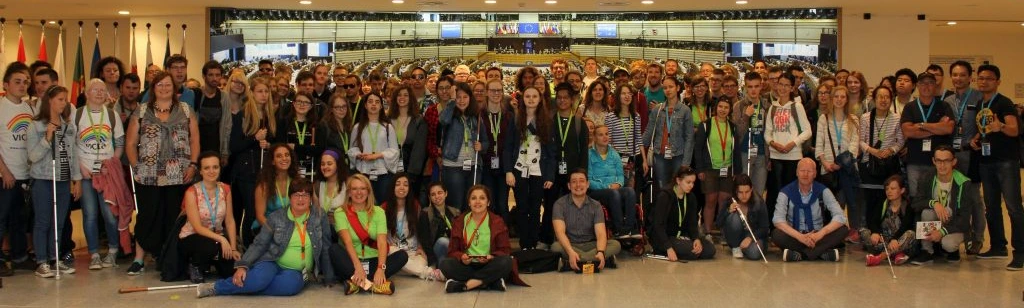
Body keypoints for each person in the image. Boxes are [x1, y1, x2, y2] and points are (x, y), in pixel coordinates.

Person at [195, 178, 334, 298]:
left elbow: (326, 247)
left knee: (290, 287)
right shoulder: (276, 217)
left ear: (310, 199)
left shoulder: (319, 216)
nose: (301, 199)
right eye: (297, 195)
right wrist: (243, 266)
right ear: (290, 198)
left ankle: (250, 287)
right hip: (272, 261)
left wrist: (328, 277)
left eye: (305, 195)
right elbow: (259, 244)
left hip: (296, 271)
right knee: (258, 280)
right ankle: (217, 288)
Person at [125, 71, 201, 275]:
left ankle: (169, 258)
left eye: (168, 85)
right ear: (153, 87)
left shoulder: (186, 110)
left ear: (174, 87)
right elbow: (131, 143)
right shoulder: (141, 111)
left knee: (173, 218)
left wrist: (193, 165)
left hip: (179, 174)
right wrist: (136, 167)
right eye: (160, 85)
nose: (164, 88)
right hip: (148, 174)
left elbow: (194, 140)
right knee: (147, 217)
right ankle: (139, 260)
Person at [971, 65, 1023, 268]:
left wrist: (1000, 126)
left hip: (1006, 161)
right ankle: (998, 246)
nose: (984, 82)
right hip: (986, 161)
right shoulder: (979, 103)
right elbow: (984, 128)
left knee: (1013, 207)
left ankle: (1020, 252)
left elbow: (1014, 130)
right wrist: (976, 138)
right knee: (991, 206)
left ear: (998, 81)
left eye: (989, 79)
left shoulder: (1004, 103)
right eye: (981, 78)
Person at [28, 85, 80, 277]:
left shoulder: (68, 126)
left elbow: (73, 154)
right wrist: (47, 138)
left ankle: (55, 258)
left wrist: (77, 180)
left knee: (59, 221)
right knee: (43, 221)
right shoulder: (36, 126)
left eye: (65, 99)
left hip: (63, 179)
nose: (63, 103)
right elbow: (33, 156)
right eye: (60, 99)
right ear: (49, 101)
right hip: (43, 178)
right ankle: (42, 261)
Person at [75, 79, 126, 270]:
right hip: (86, 172)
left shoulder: (111, 116)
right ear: (86, 93)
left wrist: (111, 164)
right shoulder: (77, 115)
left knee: (110, 214)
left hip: (106, 173)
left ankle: (113, 251)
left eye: (102, 90)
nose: (99, 93)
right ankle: (94, 253)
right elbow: (72, 145)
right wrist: (80, 167)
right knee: (89, 214)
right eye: (94, 90)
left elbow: (120, 144)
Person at [330, 174, 408, 295]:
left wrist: (380, 269)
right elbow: (348, 242)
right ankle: (373, 285)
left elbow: (382, 243)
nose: (359, 192)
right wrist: (358, 267)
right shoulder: (340, 212)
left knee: (402, 256)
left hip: (374, 261)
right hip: (352, 261)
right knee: (334, 249)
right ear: (349, 193)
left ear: (368, 191)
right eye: (354, 189)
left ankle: (356, 284)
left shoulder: (379, 212)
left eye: (363, 188)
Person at [942, 60, 984, 255]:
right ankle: (960, 236)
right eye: (955, 75)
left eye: (962, 75)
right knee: (955, 199)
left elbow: (984, 123)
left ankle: (977, 238)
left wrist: (976, 138)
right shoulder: (948, 100)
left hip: (972, 154)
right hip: (953, 155)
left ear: (970, 77)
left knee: (974, 198)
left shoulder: (978, 97)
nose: (958, 78)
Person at [910, 146, 978, 266]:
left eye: (946, 161)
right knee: (927, 212)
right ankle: (927, 251)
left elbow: (964, 219)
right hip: (937, 219)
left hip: (955, 224)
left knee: (949, 244)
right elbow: (916, 203)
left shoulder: (964, 183)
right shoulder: (927, 177)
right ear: (933, 161)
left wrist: (942, 231)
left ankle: (953, 251)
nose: (942, 165)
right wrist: (934, 203)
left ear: (954, 162)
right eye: (939, 161)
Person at [506, 87, 555, 250]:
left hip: (537, 170)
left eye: (535, 96)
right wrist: (508, 171)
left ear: (540, 99)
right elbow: (508, 148)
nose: (531, 99)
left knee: (535, 208)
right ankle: (524, 243)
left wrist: (549, 176)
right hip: (519, 168)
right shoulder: (515, 119)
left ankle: (533, 242)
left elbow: (550, 151)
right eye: (527, 96)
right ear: (523, 99)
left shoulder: (547, 121)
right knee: (522, 207)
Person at [772, 158, 849, 262]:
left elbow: (840, 216)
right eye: (802, 171)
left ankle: (799, 255)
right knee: (776, 234)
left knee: (843, 229)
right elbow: (777, 220)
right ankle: (820, 253)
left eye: (809, 171)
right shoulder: (786, 192)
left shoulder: (823, 191)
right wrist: (800, 237)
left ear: (815, 174)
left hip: (818, 236)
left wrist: (819, 234)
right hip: (795, 236)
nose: (805, 174)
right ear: (797, 173)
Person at [180, 152, 239, 283]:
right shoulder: (191, 192)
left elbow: (229, 221)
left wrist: (233, 247)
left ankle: (213, 262)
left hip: (216, 237)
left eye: (215, 167)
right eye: (206, 168)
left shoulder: (226, 189)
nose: (211, 171)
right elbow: (197, 227)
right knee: (209, 246)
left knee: (230, 271)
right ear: (200, 171)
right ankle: (194, 265)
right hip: (192, 237)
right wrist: (223, 240)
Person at [442, 185, 513, 293]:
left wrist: (492, 257)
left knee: (506, 262)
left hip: (489, 264)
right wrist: (462, 257)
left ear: (488, 202)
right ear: (469, 202)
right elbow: (452, 251)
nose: (477, 201)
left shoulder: (497, 221)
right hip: (467, 265)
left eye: (482, 198)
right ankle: (490, 281)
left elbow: (505, 250)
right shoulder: (460, 221)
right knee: (445, 264)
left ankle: (466, 286)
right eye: (473, 198)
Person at [0, 63, 35, 276]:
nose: (23, 86)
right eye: (17, 82)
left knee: (19, 218)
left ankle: (20, 257)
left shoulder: (28, 108)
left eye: (25, 82)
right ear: (6, 85)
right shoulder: (1, 107)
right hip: (6, 174)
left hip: (25, 174)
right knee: (1, 218)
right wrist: (4, 171)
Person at [816, 86, 861, 242]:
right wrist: (825, 162)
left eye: (843, 97)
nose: (839, 99)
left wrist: (840, 164)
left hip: (846, 169)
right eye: (836, 96)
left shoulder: (853, 119)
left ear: (847, 99)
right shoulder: (824, 118)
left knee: (846, 201)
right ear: (831, 98)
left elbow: (854, 146)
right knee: (830, 204)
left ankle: (850, 231)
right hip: (827, 168)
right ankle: (831, 234)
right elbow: (819, 144)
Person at [858, 86, 905, 235]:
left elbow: (901, 141)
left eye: (887, 97)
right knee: (869, 202)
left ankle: (885, 232)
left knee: (885, 200)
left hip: (889, 166)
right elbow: (860, 141)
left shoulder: (897, 118)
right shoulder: (865, 118)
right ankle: (869, 234)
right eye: (880, 97)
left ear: (891, 100)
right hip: (869, 165)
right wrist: (874, 151)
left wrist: (890, 151)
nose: (883, 100)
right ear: (874, 99)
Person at [553, 168, 621, 271]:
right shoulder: (559, 204)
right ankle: (599, 262)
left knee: (615, 245)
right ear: (569, 186)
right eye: (574, 182)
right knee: (555, 247)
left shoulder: (596, 205)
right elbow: (560, 233)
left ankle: (572, 263)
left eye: (582, 181)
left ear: (588, 184)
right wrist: (571, 252)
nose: (578, 185)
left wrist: (601, 252)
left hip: (592, 245)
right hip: (570, 244)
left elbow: (601, 234)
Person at [765, 72, 812, 219]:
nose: (783, 88)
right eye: (781, 84)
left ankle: (790, 222)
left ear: (792, 88)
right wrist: (773, 143)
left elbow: (807, 131)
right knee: (774, 191)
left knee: (790, 191)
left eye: (787, 85)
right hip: (775, 155)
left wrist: (793, 143)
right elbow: (767, 132)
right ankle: (773, 224)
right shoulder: (772, 107)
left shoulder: (797, 106)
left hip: (793, 156)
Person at [900, 72, 954, 199]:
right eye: (923, 83)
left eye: (930, 83)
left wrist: (921, 125)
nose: (926, 86)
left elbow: (948, 128)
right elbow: (907, 131)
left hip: (938, 162)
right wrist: (936, 127)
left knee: (939, 197)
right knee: (915, 198)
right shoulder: (910, 107)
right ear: (917, 85)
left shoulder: (944, 106)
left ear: (935, 85)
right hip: (915, 161)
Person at [382, 173, 445, 281]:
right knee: (391, 251)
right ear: (393, 187)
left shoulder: (415, 206)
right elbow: (380, 235)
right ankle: (429, 272)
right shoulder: (383, 208)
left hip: (413, 251)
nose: (402, 187)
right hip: (394, 251)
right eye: (398, 184)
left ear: (409, 188)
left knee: (422, 261)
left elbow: (420, 231)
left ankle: (403, 269)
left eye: (405, 185)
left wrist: (420, 246)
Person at [649, 166, 715, 261]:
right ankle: (662, 250)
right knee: (692, 251)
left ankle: (683, 248)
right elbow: (658, 225)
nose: (691, 186)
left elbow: (692, 222)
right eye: (688, 182)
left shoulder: (691, 197)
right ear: (678, 181)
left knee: (710, 249)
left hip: (683, 236)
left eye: (693, 182)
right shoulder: (665, 196)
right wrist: (668, 247)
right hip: (666, 236)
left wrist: (696, 238)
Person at [439, 83, 485, 211]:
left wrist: (482, 146)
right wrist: (452, 101)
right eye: (458, 97)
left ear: (470, 98)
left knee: (471, 206)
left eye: (465, 97)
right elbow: (443, 120)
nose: (462, 100)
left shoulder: (476, 117)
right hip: (453, 166)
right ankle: (456, 230)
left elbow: (485, 141)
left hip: (473, 166)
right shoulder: (450, 115)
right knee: (456, 205)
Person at [695, 97, 738, 235]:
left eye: (726, 107)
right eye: (720, 106)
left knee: (724, 201)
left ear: (730, 110)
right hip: (709, 169)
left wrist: (736, 170)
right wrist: (700, 169)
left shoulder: (733, 127)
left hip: (728, 169)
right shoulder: (706, 125)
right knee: (710, 201)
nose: (723, 110)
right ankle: (707, 232)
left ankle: (723, 231)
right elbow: (698, 149)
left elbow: (735, 149)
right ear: (715, 108)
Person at [348, 92, 401, 203]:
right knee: (364, 203)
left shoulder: (388, 127)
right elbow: (352, 148)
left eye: (377, 102)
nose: (373, 105)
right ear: (365, 105)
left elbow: (394, 151)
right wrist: (358, 154)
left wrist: (378, 155)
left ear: (381, 106)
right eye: (370, 102)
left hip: (383, 173)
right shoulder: (358, 127)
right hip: (364, 172)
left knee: (383, 204)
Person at [643, 76, 694, 188]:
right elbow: (649, 131)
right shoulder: (657, 109)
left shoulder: (685, 110)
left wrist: (686, 162)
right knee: (663, 187)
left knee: (678, 186)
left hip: (678, 155)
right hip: (659, 154)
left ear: (678, 88)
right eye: (665, 87)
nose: (668, 90)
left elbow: (689, 137)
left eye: (671, 87)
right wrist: (640, 151)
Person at [588, 126, 639, 238]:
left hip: (615, 188)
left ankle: (629, 229)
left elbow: (620, 175)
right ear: (595, 138)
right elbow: (589, 180)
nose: (605, 137)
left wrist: (619, 184)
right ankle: (618, 229)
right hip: (597, 191)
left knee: (630, 191)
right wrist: (608, 186)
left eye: (606, 134)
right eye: (601, 135)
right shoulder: (589, 155)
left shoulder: (614, 154)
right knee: (614, 193)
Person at [250, 144, 299, 246]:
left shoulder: (296, 182)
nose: (284, 158)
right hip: (266, 227)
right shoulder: (264, 186)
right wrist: (277, 231)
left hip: (290, 227)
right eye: (279, 156)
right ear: (272, 161)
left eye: (287, 155)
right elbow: (260, 216)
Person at [480, 78, 515, 221]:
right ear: (487, 93)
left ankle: (503, 237)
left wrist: (509, 169)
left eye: (499, 90)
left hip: (503, 167)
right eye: (493, 90)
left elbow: (511, 143)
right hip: (486, 166)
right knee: (490, 203)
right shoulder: (479, 115)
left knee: (502, 203)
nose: (496, 93)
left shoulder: (509, 116)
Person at [862, 175, 916, 266]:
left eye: (893, 188)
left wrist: (895, 239)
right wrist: (876, 232)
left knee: (911, 234)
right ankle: (895, 254)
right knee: (863, 231)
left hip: (898, 241)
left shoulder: (908, 206)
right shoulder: (882, 203)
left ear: (902, 190)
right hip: (884, 241)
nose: (889, 191)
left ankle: (880, 257)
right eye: (887, 189)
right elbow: (873, 221)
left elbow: (905, 226)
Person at [716, 174, 769, 260]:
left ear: (751, 190)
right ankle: (736, 247)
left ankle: (744, 248)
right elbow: (718, 223)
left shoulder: (759, 202)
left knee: (754, 254)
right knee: (733, 217)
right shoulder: (729, 201)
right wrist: (728, 211)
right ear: (736, 191)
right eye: (740, 192)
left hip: (754, 235)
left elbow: (765, 228)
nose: (744, 195)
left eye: (747, 192)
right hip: (736, 236)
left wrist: (750, 238)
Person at [605, 84, 645, 196]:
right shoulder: (611, 116)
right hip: (618, 158)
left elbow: (639, 138)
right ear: (618, 96)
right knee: (619, 191)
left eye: (629, 93)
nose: (627, 96)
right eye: (623, 93)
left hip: (635, 157)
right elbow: (609, 141)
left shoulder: (636, 116)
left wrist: (645, 160)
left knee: (634, 191)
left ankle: (633, 213)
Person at [732, 72, 768, 197]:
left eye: (756, 86)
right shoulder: (738, 106)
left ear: (761, 86)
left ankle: (755, 216)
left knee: (758, 192)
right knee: (743, 192)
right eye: (750, 86)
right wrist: (746, 116)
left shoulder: (766, 105)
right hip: (744, 152)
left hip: (762, 153)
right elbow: (736, 133)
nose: (753, 90)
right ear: (745, 87)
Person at [389, 86, 427, 198]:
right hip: (391, 169)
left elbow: (419, 149)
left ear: (411, 98)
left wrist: (411, 174)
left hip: (411, 170)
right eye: (399, 95)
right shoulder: (387, 119)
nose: (402, 98)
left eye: (406, 95)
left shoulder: (419, 120)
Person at [278, 91, 322, 181]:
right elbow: (281, 146)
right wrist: (307, 149)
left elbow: (318, 149)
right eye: (299, 101)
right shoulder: (284, 123)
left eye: (306, 102)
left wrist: (295, 147)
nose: (302, 105)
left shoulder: (316, 126)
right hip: (288, 168)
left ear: (311, 106)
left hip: (310, 169)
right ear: (293, 104)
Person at [417, 182, 460, 267]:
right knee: (443, 241)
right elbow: (425, 240)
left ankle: (443, 270)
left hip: (452, 250)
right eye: (433, 194)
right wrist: (431, 260)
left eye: (440, 193)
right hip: (435, 250)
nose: (437, 196)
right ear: (429, 197)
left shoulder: (455, 212)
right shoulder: (425, 213)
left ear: (446, 193)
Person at [196, 61, 232, 159]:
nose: (214, 78)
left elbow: (227, 126)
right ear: (204, 76)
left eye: (217, 75)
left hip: (216, 148)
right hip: (197, 148)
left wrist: (224, 152)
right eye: (211, 75)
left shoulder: (224, 97)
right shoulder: (196, 94)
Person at [314, 149, 348, 227]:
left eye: (329, 164)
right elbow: (316, 212)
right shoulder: (317, 185)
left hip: (344, 228)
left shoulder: (347, 184)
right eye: (322, 164)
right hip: (323, 228)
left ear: (338, 165)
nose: (325, 167)